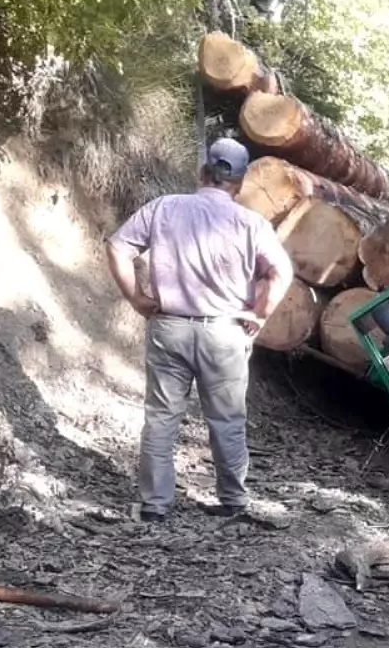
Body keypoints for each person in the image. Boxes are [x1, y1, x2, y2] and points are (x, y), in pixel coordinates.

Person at [105, 137, 294, 522]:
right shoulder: (251, 223)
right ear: (239, 183)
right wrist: (259, 314)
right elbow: (281, 272)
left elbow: (118, 246)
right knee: (226, 420)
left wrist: (137, 299)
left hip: (169, 326)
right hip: (225, 332)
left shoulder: (164, 208)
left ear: (203, 171)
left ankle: (155, 506)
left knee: (161, 418)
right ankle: (233, 502)